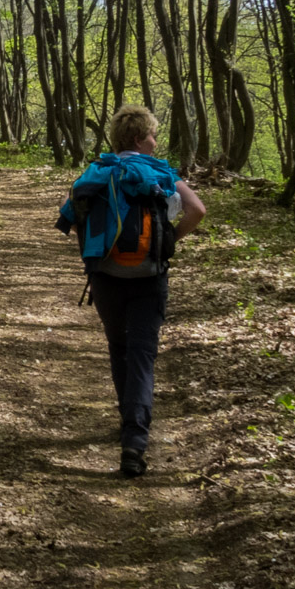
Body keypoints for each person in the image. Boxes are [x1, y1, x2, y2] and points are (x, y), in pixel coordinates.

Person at [56, 104, 206, 477]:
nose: (156, 141)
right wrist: (168, 239)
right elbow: (197, 210)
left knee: (119, 348)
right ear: (140, 138)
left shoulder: (97, 172)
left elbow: (70, 217)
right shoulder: (159, 173)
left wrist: (102, 244)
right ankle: (134, 442)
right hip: (149, 275)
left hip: (105, 276)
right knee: (142, 355)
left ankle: (129, 421)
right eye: (153, 134)